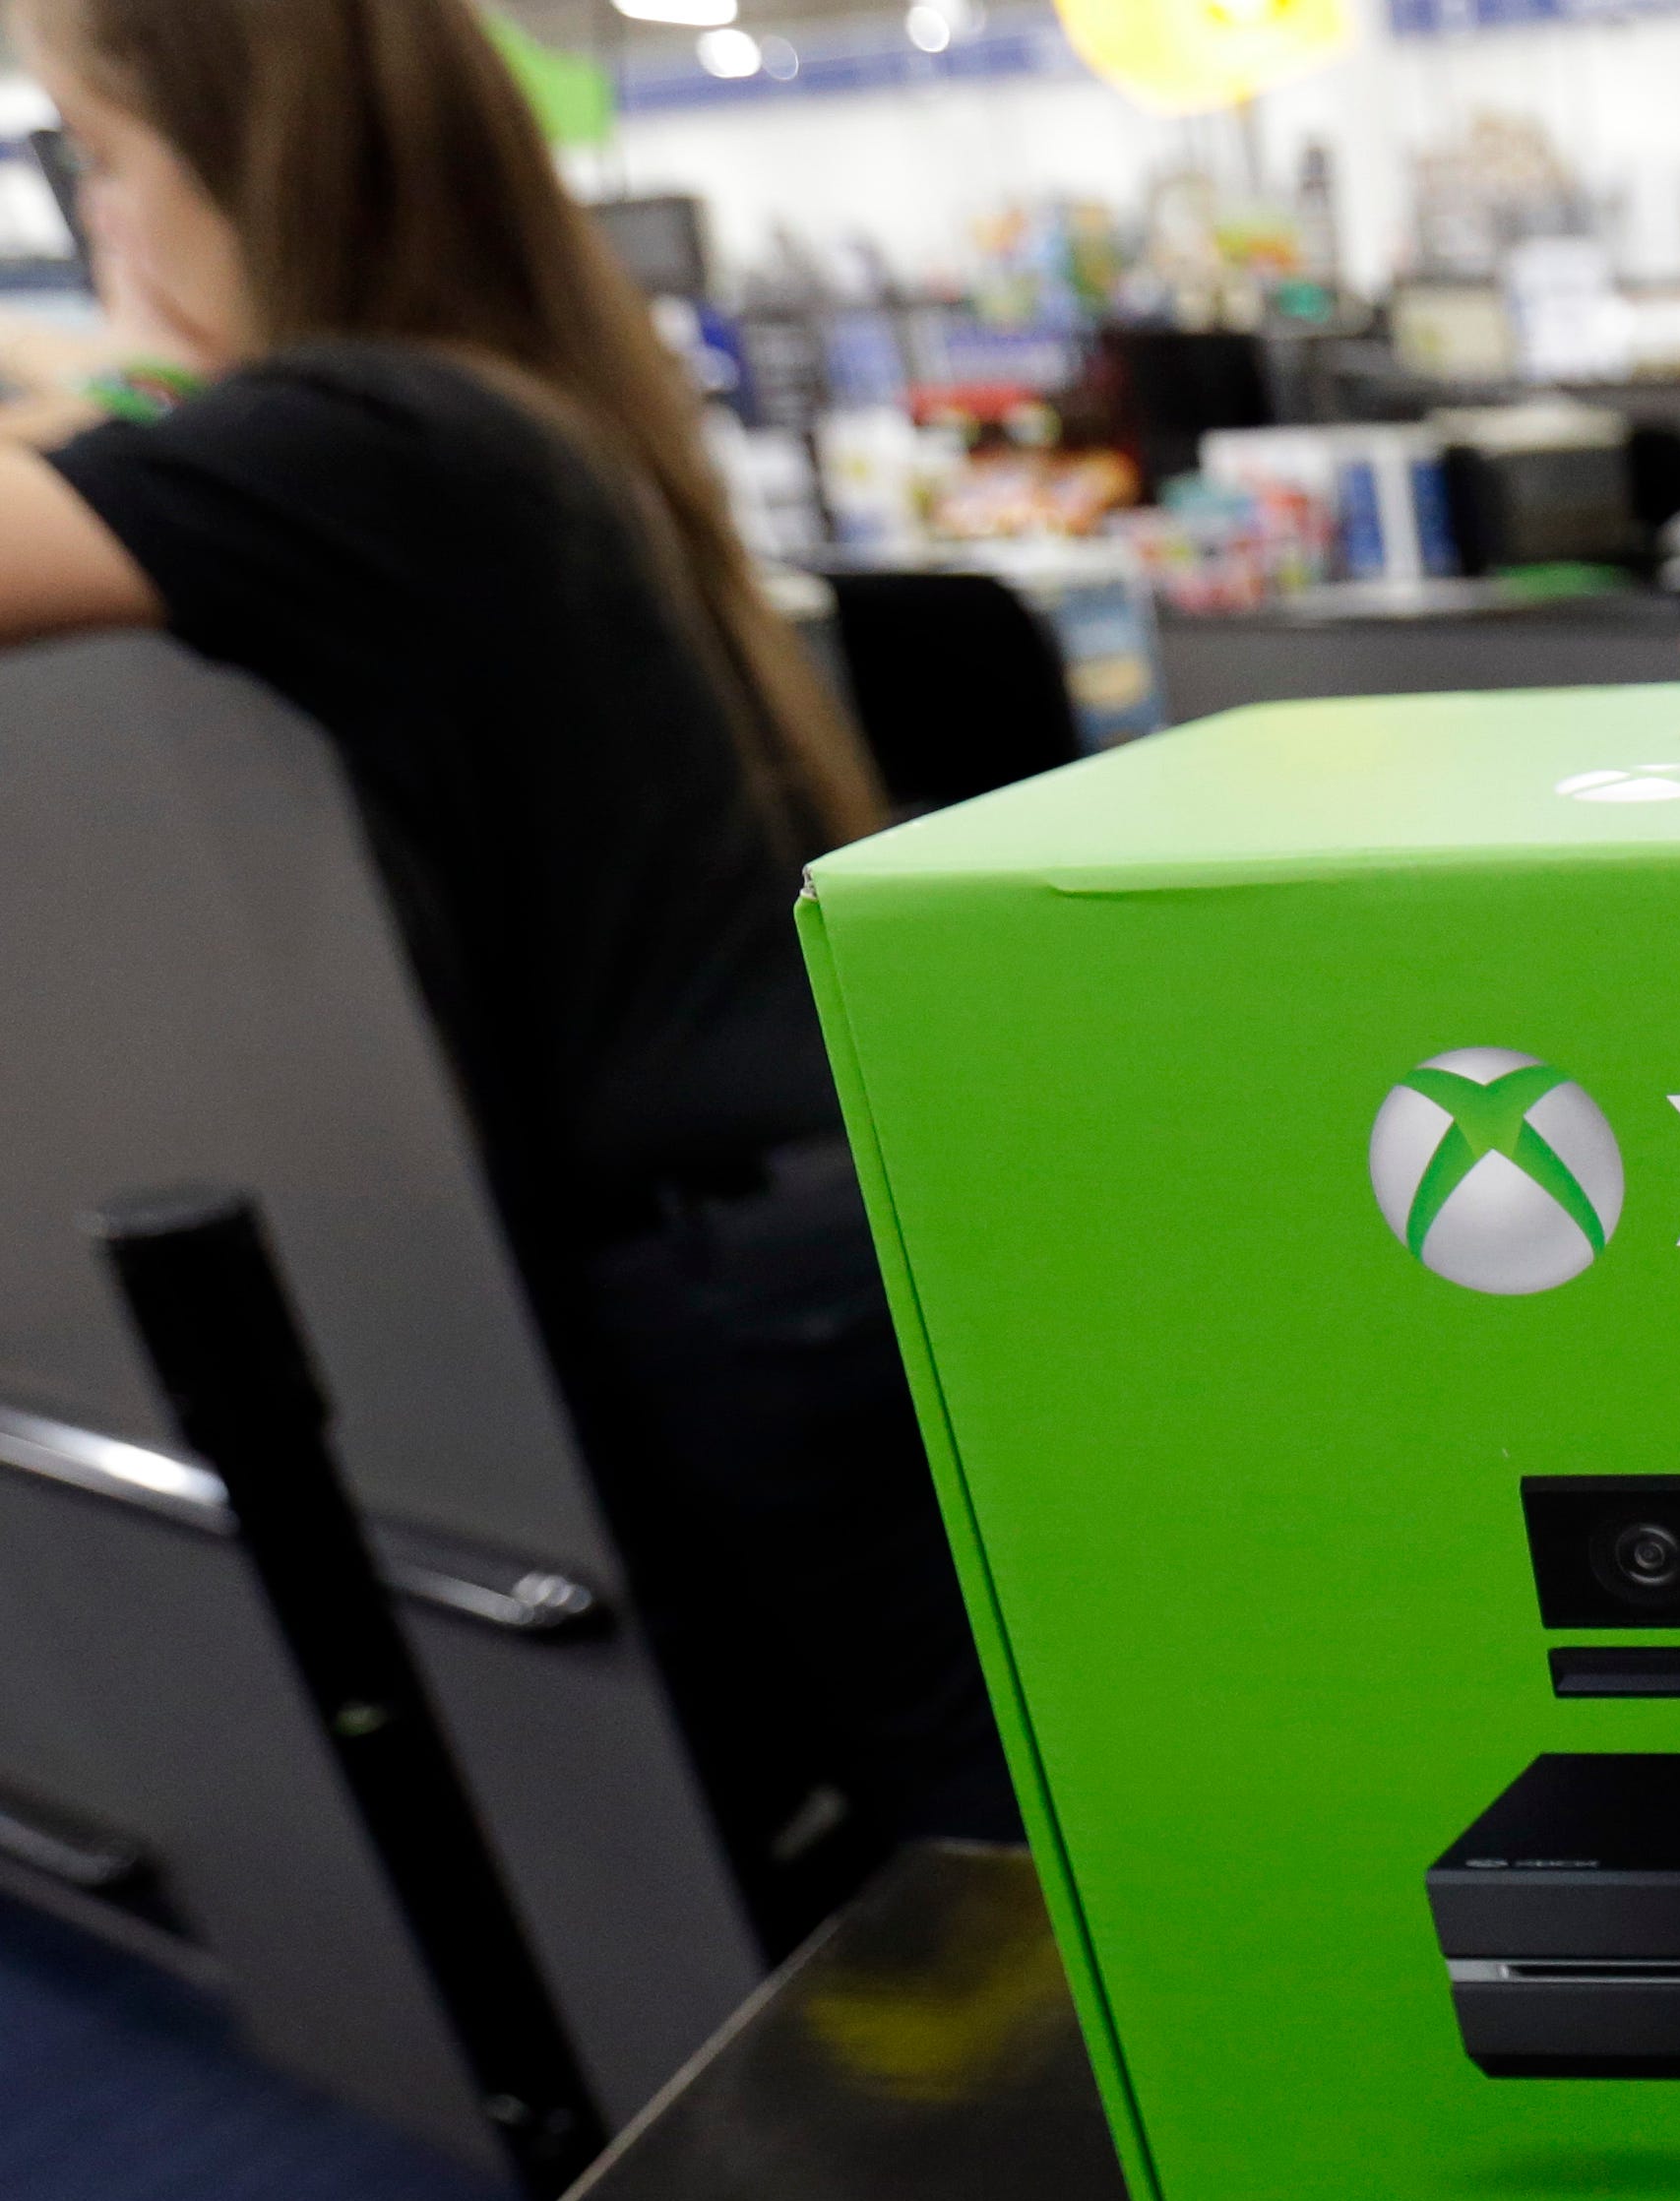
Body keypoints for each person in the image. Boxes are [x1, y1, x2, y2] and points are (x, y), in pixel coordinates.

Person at [0, 0, 1012, 1937]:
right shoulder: (486, 404)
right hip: (797, 1228)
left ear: (226, 152)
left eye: (101, 157)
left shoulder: (360, 437)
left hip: (732, 1274)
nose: (100, 212)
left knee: (954, 1849)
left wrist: (105, 366)